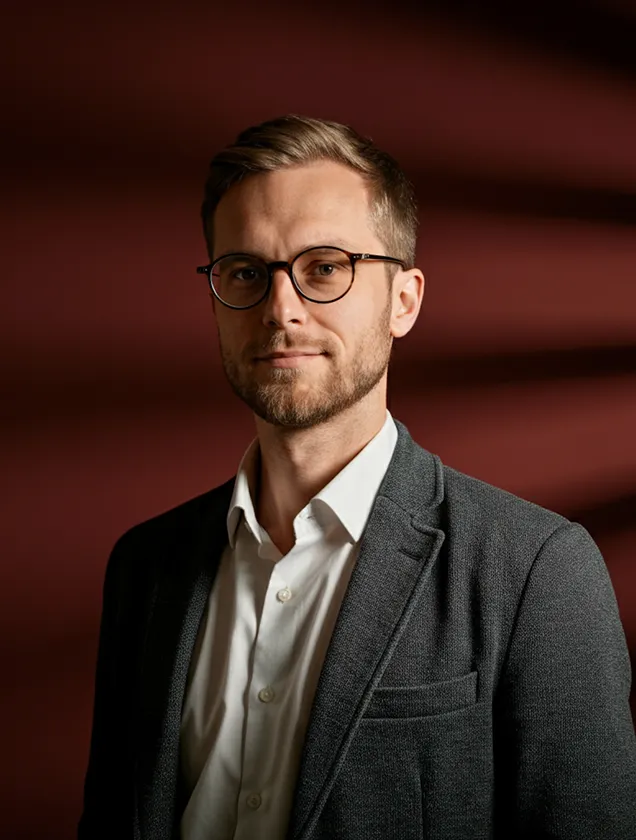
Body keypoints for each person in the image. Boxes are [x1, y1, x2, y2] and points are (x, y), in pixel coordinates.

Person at [78, 114, 636, 840]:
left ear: (404, 301)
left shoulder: (537, 571)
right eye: (245, 272)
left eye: (325, 268)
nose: (280, 309)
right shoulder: (145, 566)